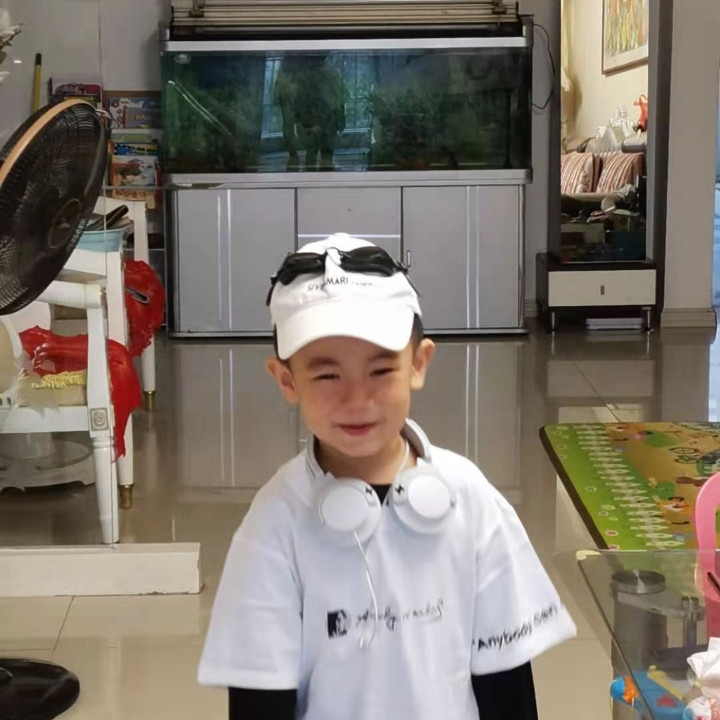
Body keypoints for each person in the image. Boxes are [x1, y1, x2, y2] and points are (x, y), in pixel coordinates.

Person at [198, 233, 577, 720]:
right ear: (287, 380)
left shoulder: (470, 498)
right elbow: (259, 701)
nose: (357, 399)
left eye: (380, 371)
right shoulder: (275, 523)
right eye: (327, 375)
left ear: (418, 364)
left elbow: (506, 682)